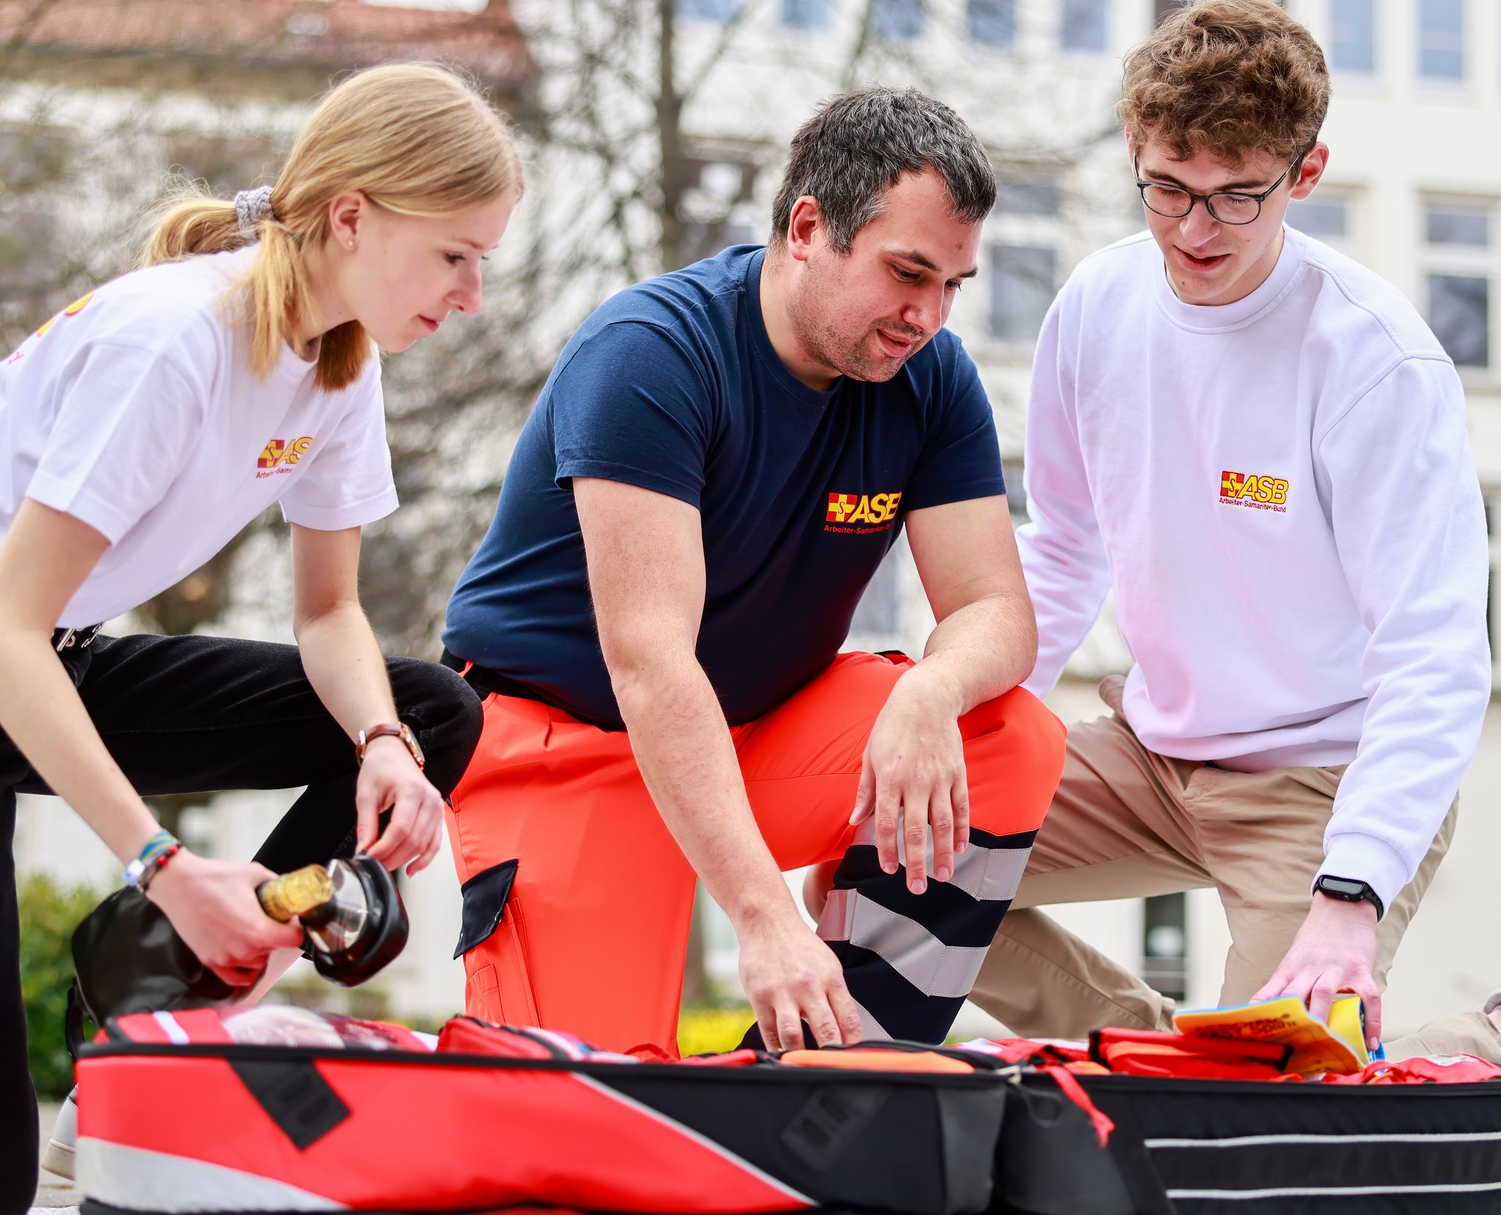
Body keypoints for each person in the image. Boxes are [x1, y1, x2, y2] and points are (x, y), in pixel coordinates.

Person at [0, 63, 521, 1215]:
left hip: (51, 656)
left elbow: (327, 616)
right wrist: (163, 861)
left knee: (431, 710)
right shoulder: (171, 344)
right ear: (352, 215)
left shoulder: (338, 361)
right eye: (455, 255)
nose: (470, 295)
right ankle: (176, 920)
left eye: (483, 264)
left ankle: (146, 982)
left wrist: (382, 746)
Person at [962, 0, 1501, 1167]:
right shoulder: (1095, 306)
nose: (1193, 229)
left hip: (1321, 778)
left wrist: (1350, 898)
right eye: (1164, 186)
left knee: (1264, 1140)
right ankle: (1168, 1068)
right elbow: (1061, 543)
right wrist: (980, 735)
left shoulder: (1372, 362)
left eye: (1234, 195)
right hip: (1149, 754)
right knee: (880, 875)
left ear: (1305, 175)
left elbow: (1432, 651)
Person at [441, 88, 1066, 1059]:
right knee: (583, 1114)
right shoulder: (649, 356)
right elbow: (650, 664)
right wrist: (764, 916)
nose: (927, 317)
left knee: (1004, 734)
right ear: (808, 227)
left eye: (953, 284)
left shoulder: (929, 379)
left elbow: (995, 611)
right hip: (568, 747)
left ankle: (832, 1059)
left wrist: (929, 692)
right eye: (907, 273)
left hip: (753, 740)